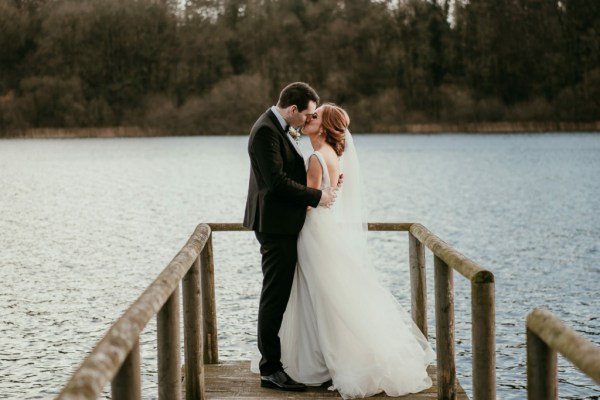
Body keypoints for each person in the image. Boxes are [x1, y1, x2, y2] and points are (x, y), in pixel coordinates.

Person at [277, 103, 435, 398]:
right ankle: (323, 359)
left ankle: (322, 362)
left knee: (320, 296)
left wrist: (288, 201)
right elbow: (325, 194)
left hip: (313, 231)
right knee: (328, 295)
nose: (309, 119)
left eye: (315, 117)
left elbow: (309, 203)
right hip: (326, 230)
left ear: (323, 128)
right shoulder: (333, 156)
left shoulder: (314, 157)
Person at [243, 82, 338, 391]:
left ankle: (289, 361)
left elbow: (290, 173)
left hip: (284, 223)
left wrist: (324, 182)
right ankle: (270, 368)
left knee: (282, 293)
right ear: (293, 109)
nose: (309, 119)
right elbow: (276, 184)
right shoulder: (266, 131)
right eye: (308, 113)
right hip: (274, 226)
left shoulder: (280, 128)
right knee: (275, 295)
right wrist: (317, 196)